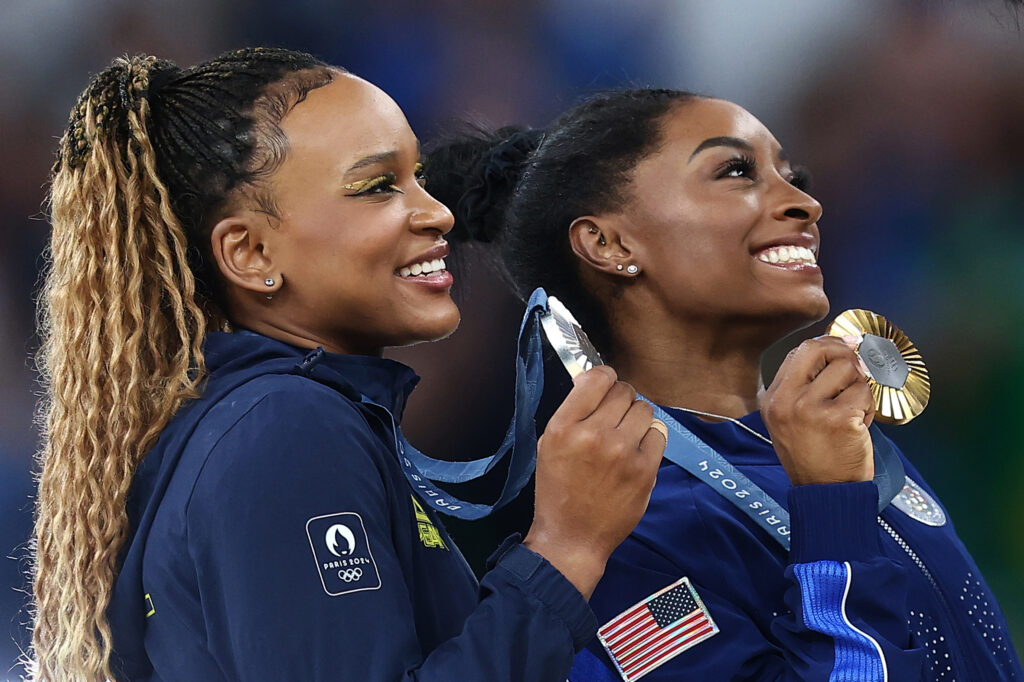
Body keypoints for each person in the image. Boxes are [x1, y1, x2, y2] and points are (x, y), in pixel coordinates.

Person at [30, 48, 668, 682]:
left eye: (418, 176)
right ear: (251, 252)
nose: (438, 212)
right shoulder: (286, 428)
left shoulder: (273, 418)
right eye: (377, 186)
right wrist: (566, 548)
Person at [425, 90, 1024, 680]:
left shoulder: (834, 444)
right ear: (608, 243)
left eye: (794, 175)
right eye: (737, 171)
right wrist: (833, 507)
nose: (804, 203)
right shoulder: (625, 527)